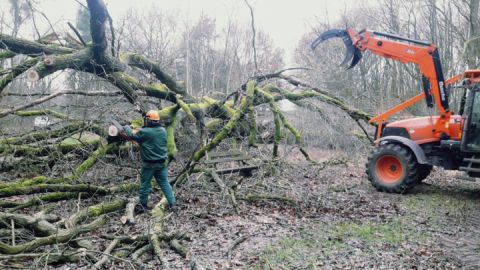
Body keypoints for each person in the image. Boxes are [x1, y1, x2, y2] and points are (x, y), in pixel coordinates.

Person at [123, 110, 176, 212]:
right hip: (161, 163)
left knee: (145, 184)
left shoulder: (145, 132)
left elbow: (131, 136)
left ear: (148, 120)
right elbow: (146, 133)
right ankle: (173, 203)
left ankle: (143, 205)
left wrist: (126, 128)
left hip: (149, 164)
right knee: (164, 183)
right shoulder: (163, 130)